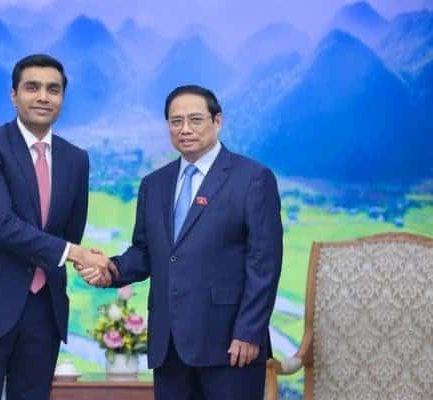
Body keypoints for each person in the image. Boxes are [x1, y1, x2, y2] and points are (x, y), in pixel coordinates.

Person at [81, 85, 283, 400]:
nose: (185, 129)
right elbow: (146, 252)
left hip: (230, 345)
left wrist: (249, 331)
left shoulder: (253, 178)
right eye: (176, 121)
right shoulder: (154, 184)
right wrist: (110, 270)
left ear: (217, 121)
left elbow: (264, 264)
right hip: (170, 347)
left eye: (195, 119)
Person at [0, 54, 115, 400]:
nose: (43, 97)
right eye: (32, 87)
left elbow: (70, 231)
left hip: (44, 308)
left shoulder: (76, 159)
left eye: (53, 89)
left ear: (62, 98)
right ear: (14, 95)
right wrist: (75, 253)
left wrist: (81, 257)